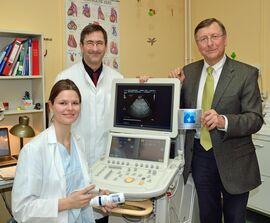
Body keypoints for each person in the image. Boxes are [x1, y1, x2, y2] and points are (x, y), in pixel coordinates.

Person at [170, 18, 264, 223]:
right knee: (207, 215)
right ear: (197, 44)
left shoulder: (246, 74)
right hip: (200, 155)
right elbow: (178, 113)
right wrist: (173, 87)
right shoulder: (189, 72)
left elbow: (255, 119)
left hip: (235, 157)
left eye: (214, 36)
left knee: (234, 217)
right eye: (203, 39)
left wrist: (224, 121)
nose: (209, 43)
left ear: (225, 39)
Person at [12, 79, 115, 223]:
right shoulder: (34, 150)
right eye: (63, 103)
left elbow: (78, 191)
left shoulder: (78, 141)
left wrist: (98, 197)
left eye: (75, 103)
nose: (70, 108)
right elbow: (21, 209)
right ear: (51, 106)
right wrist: (68, 203)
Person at [56, 24, 122, 223]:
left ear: (106, 46)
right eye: (90, 43)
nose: (95, 48)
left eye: (99, 43)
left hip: (108, 167)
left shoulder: (118, 79)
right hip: (75, 169)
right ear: (81, 46)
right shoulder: (65, 78)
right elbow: (58, 129)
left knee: (103, 216)